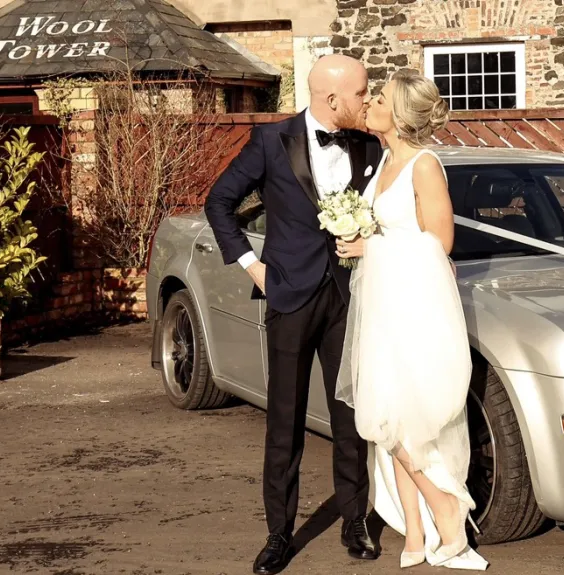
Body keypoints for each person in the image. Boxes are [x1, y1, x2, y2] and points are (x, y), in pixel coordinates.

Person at [203, 55, 384, 575]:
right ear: (331, 99)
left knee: (351, 416)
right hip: (288, 295)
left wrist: (366, 240)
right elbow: (220, 202)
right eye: (360, 93)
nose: (366, 100)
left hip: (350, 295)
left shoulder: (369, 144)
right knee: (285, 420)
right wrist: (253, 266)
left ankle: (355, 520)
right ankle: (279, 534)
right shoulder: (271, 141)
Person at [334, 69, 489, 571]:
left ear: (398, 113)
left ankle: (444, 508)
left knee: (400, 416)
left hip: (415, 306)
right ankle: (416, 533)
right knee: (385, 417)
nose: (370, 102)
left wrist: (368, 244)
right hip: (382, 303)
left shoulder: (425, 165)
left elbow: (439, 241)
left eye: (377, 98)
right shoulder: (381, 164)